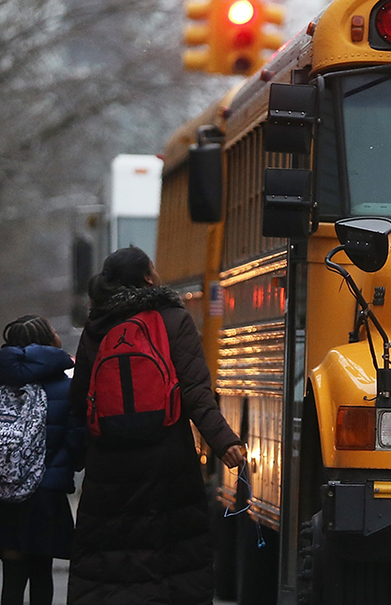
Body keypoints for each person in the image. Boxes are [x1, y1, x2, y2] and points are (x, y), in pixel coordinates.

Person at [67, 246, 246, 605]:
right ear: (148, 277)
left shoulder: (97, 325)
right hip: (167, 460)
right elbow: (196, 391)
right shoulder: (172, 319)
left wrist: (77, 455)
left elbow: (80, 398)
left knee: (108, 554)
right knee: (170, 554)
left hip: (109, 465)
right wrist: (224, 441)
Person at [0, 315, 84, 605]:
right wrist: (66, 467)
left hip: (4, 491)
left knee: (12, 575)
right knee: (41, 573)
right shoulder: (66, 388)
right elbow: (76, 439)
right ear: (48, 341)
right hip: (45, 493)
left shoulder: (3, 386)